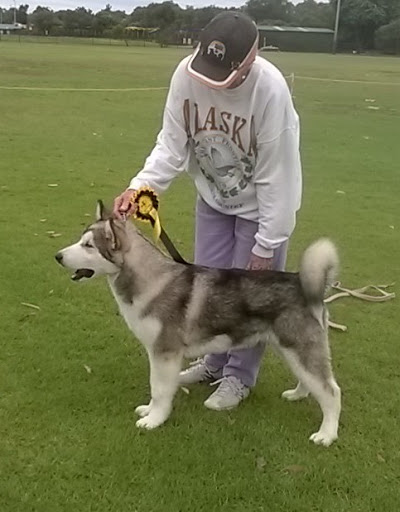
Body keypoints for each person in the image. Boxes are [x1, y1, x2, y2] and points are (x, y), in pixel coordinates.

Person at [113, 12, 302, 411]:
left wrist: (267, 244)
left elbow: (278, 175)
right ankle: (214, 364)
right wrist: (140, 187)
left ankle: (238, 377)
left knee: (250, 298)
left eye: (224, 72)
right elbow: (171, 142)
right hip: (213, 199)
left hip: (260, 210)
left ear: (250, 58)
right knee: (208, 294)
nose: (209, 80)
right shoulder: (186, 74)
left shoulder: (270, 91)